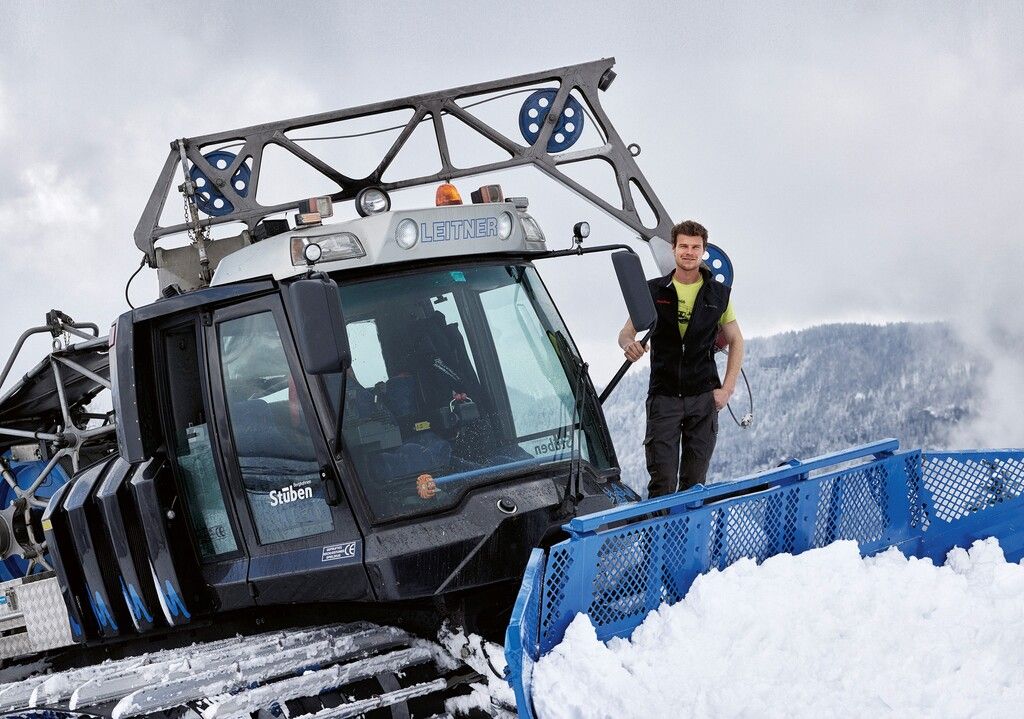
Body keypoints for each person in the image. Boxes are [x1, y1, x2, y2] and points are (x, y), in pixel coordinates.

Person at [618, 220, 744, 498]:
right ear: (673, 249)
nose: (689, 252)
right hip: (664, 397)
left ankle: (689, 528)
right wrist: (630, 346)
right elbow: (626, 333)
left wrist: (727, 389)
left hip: (703, 396)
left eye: (695, 247)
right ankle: (659, 529)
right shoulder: (653, 291)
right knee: (662, 482)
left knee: (695, 483)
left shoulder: (718, 294)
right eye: (683, 246)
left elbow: (736, 340)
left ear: (704, 250)